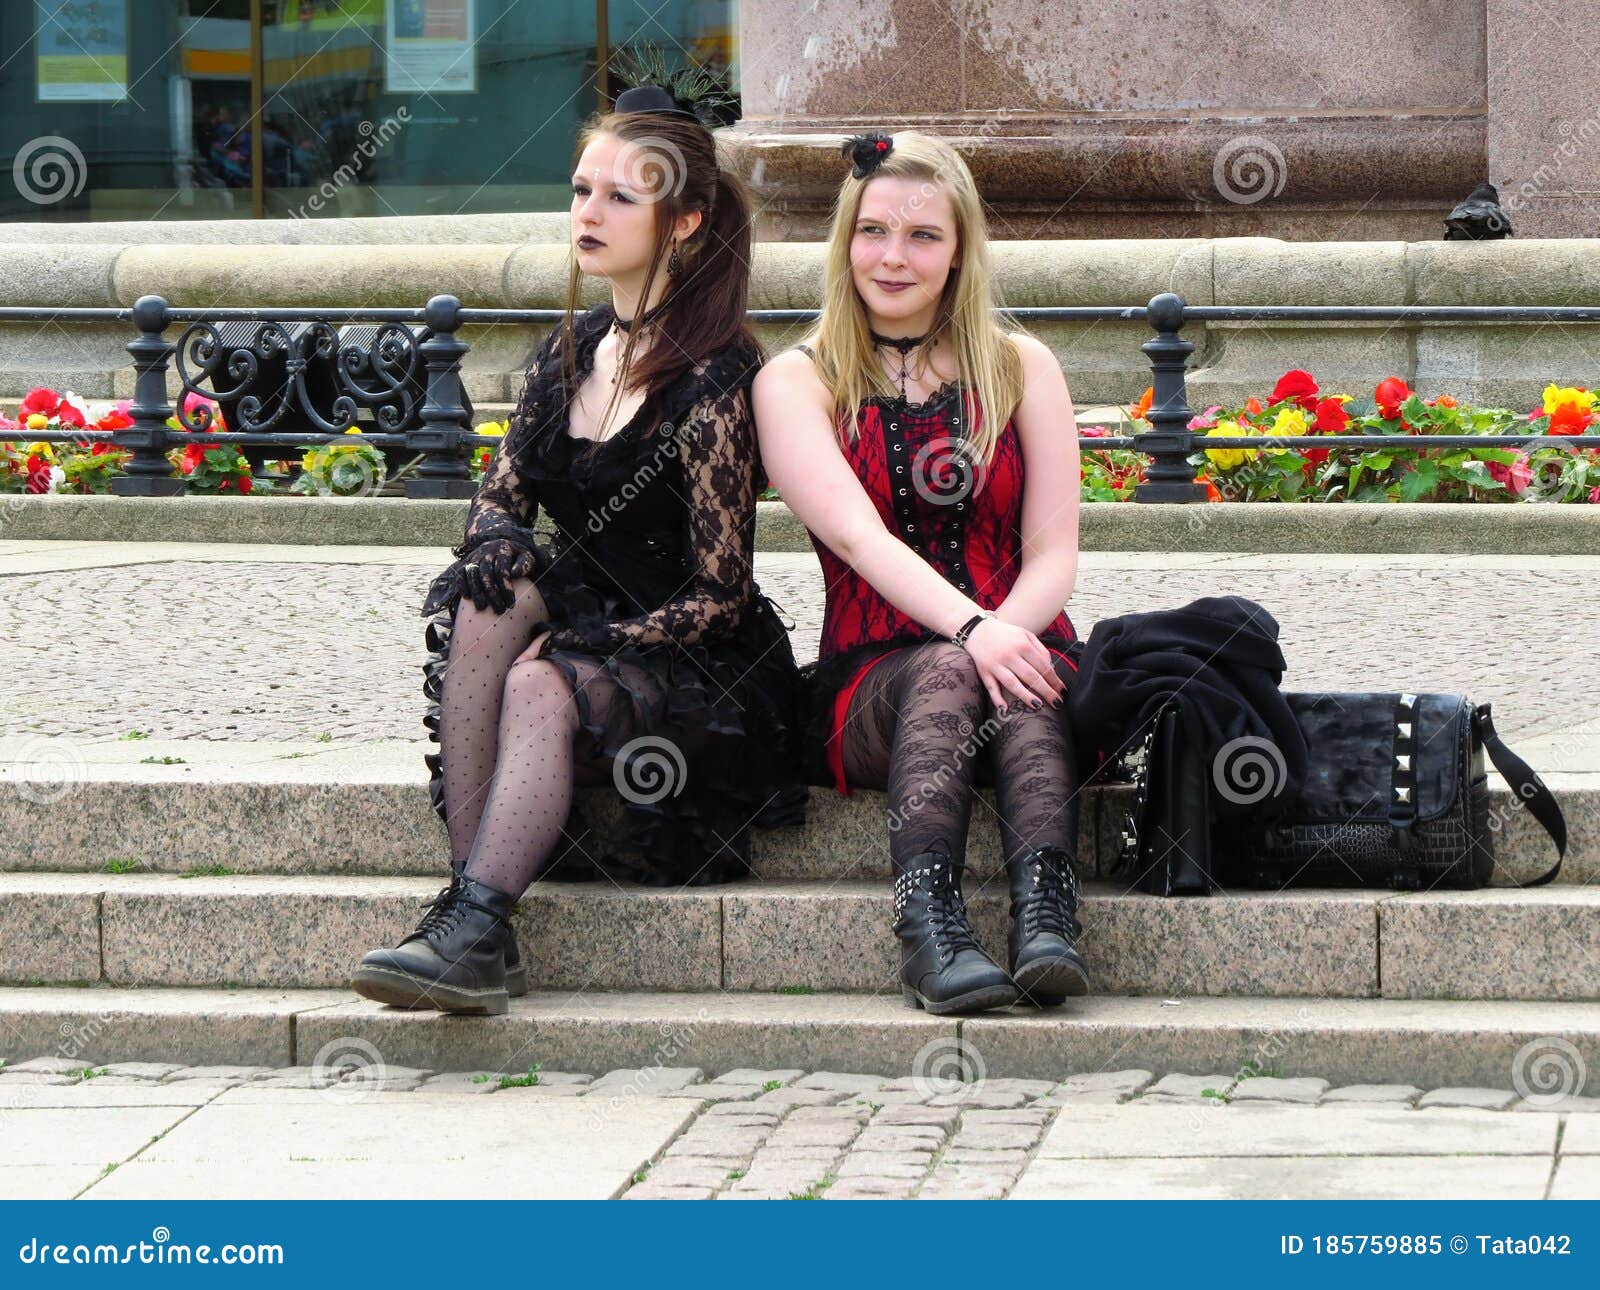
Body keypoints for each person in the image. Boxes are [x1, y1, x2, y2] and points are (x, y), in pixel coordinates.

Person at [351, 83, 808, 1016]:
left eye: (618, 197)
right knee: (488, 595)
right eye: (579, 189)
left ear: (682, 223)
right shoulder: (570, 350)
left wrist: (584, 646)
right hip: (584, 609)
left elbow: (723, 591)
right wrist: (503, 553)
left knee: (533, 678)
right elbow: (497, 502)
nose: (587, 214)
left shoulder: (719, 373)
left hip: (690, 651)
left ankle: (472, 924)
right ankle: (473, 924)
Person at [752, 130, 1087, 1016]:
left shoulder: (1022, 368)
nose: (893, 257)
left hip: (1018, 635)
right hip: (869, 672)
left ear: (960, 252)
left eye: (923, 236)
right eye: (873, 232)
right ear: (844, 241)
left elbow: (1056, 549)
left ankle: (1048, 923)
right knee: (955, 665)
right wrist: (976, 634)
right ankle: (929, 927)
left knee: (1027, 681)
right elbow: (860, 541)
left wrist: (1007, 632)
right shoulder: (798, 379)